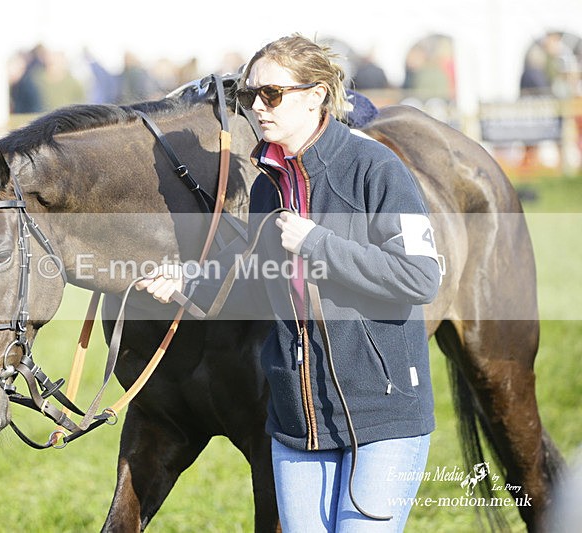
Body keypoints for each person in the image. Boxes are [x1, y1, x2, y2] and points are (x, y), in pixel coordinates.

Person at [137, 34, 441, 532]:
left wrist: (318, 243)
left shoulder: (377, 169)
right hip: (297, 424)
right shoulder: (265, 185)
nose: (257, 107)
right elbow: (259, 284)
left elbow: (420, 276)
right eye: (248, 95)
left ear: (316, 95)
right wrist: (187, 284)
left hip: (384, 418)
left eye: (271, 94)